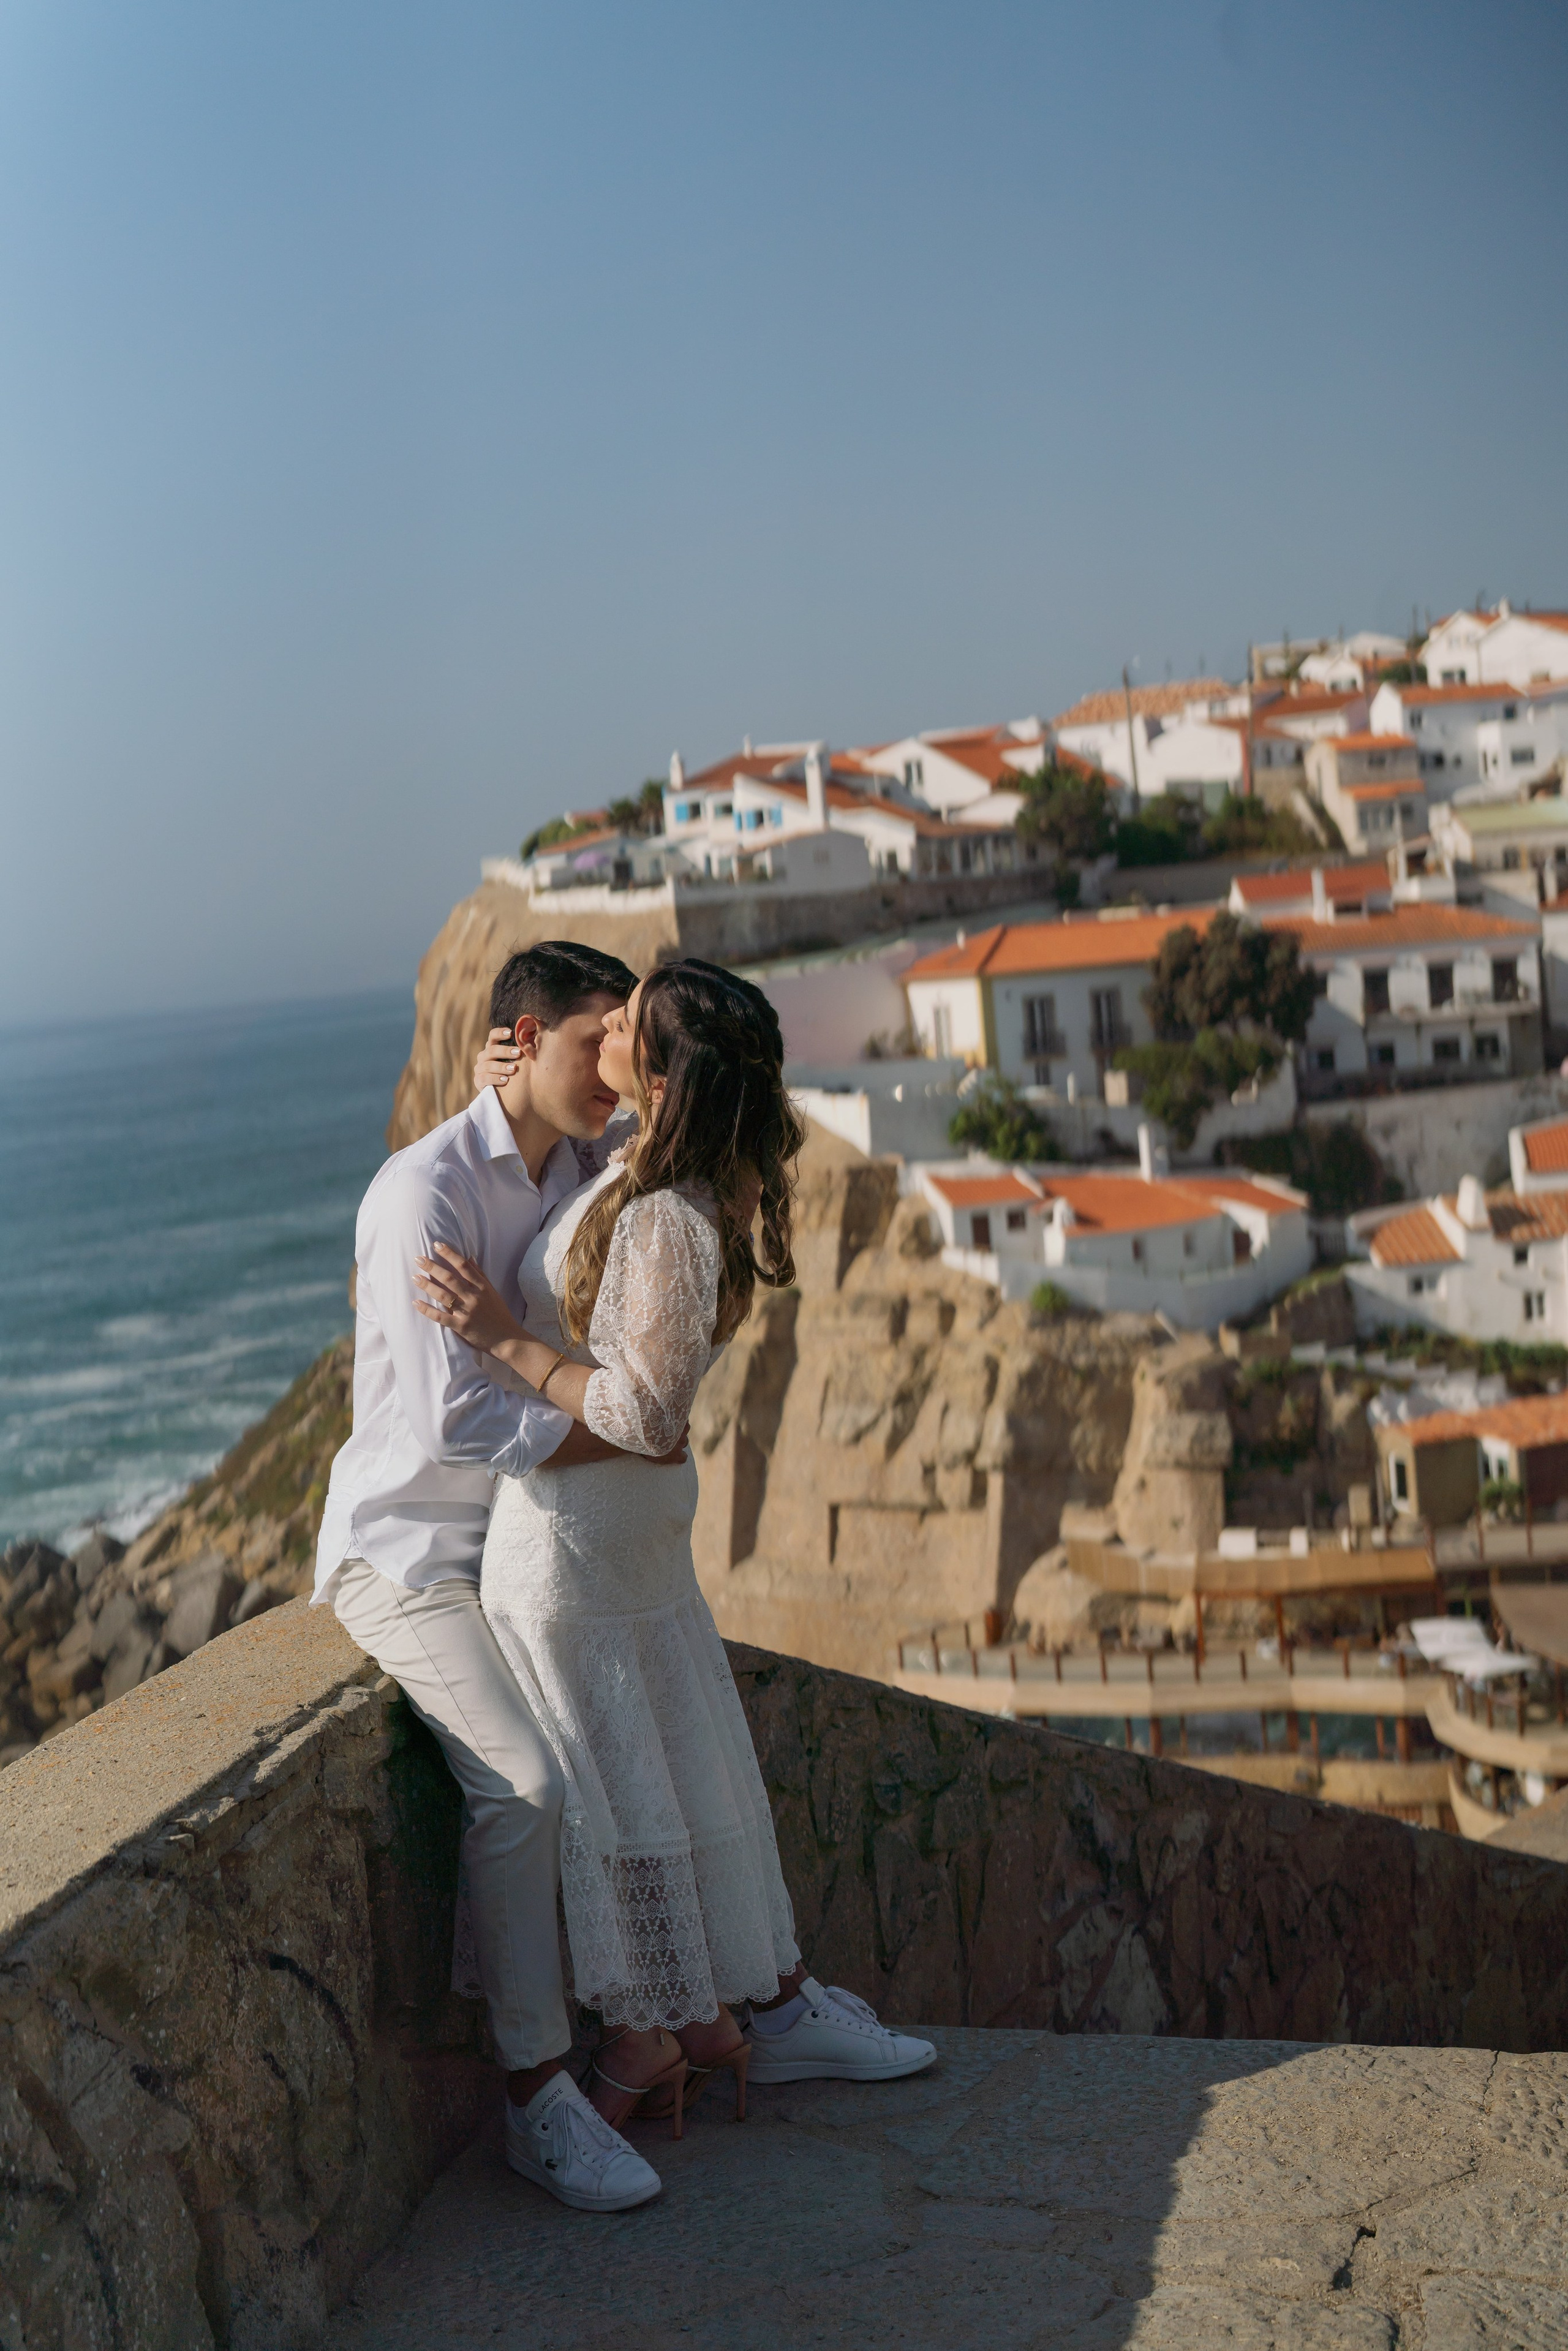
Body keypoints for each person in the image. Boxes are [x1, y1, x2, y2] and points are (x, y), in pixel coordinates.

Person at [415, 959, 937, 2151]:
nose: (603, 1022)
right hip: (614, 1535)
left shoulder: (661, 1213)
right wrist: (496, 1090)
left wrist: (501, 1340)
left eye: (628, 1019)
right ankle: (702, 2020)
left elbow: (646, 1415)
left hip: (578, 1535)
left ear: (654, 1072)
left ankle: (649, 2035)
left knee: (606, 1783)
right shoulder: (654, 1178)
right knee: (649, 1758)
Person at [315, 940, 685, 2217]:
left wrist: (590, 1072)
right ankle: (538, 2098)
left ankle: (723, 2004)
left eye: (627, 1047)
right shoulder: (418, 1195)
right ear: (526, 1040)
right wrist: (621, 1423)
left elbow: (659, 1146)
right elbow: (449, 1423)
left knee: (634, 1725)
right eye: (600, 1042)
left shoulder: (582, 1161)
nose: (620, 1070)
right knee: (523, 1781)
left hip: (527, 1549)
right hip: (410, 1554)